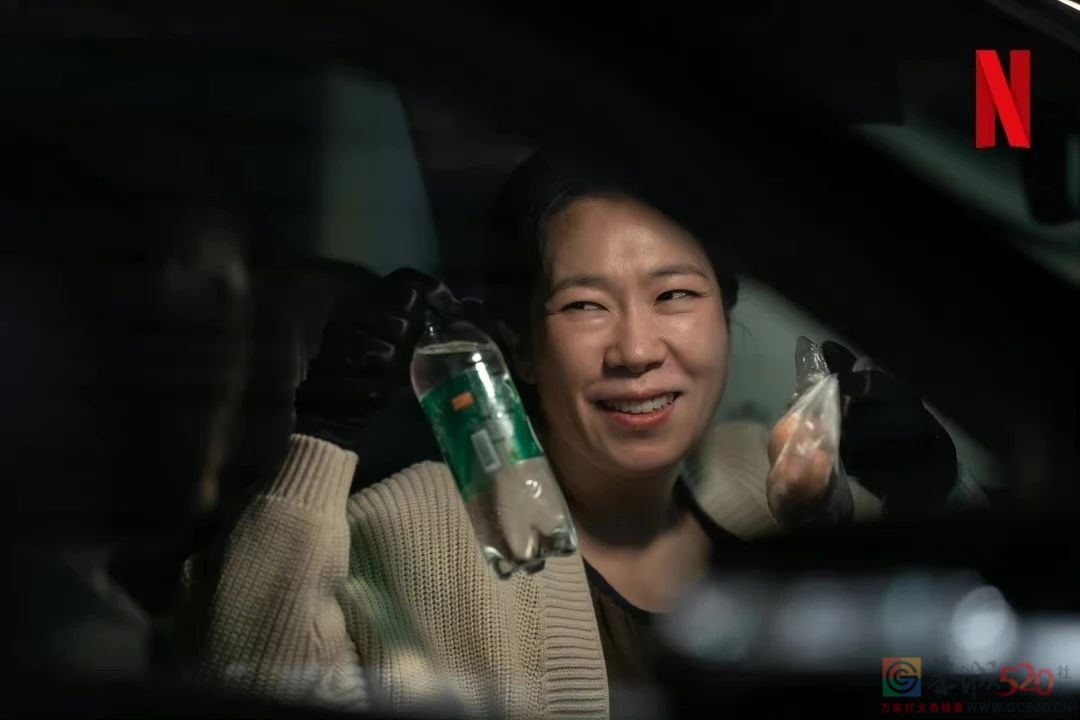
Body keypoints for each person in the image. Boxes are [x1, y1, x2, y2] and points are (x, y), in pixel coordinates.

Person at [178, 149, 981, 718]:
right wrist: (321, 439)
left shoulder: (777, 485)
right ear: (521, 344)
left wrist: (927, 501)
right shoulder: (409, 533)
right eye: (584, 306)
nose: (635, 351)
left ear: (725, 315)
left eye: (675, 295)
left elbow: (954, 672)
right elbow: (247, 675)